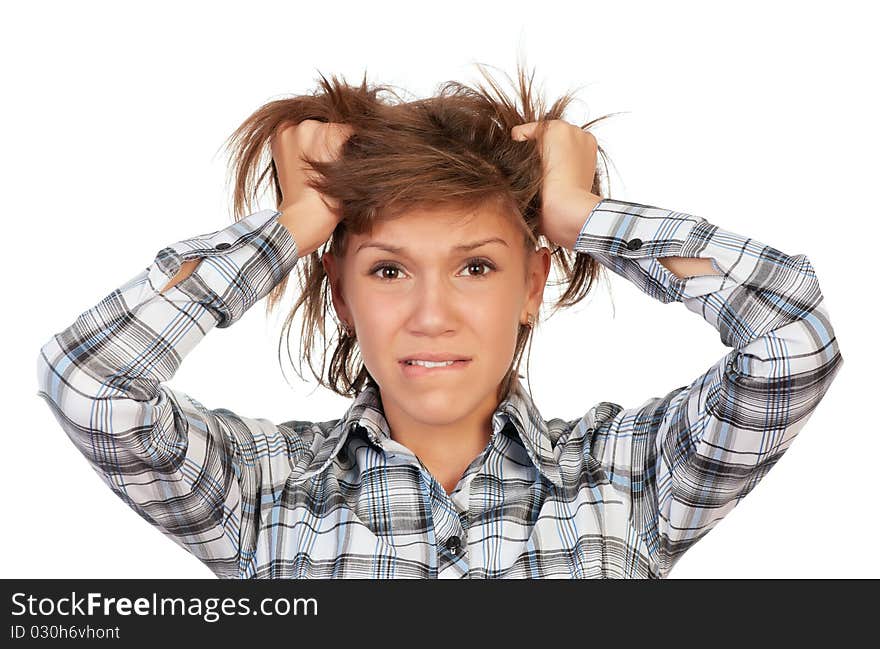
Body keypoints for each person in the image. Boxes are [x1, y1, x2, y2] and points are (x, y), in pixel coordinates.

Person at [35, 67, 843, 579]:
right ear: (342, 295)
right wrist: (296, 221)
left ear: (531, 285)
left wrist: (581, 214)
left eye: (476, 267)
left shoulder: (629, 479)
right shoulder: (260, 491)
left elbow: (793, 340)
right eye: (389, 270)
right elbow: (90, 380)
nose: (432, 315)